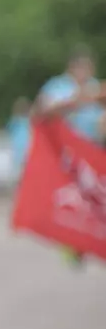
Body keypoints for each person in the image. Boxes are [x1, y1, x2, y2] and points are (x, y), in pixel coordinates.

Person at [33, 47, 104, 268]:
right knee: (72, 199)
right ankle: (73, 242)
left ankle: (86, 240)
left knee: (94, 199)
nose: (85, 72)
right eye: (81, 68)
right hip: (66, 152)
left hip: (92, 151)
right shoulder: (58, 87)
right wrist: (76, 101)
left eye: (88, 68)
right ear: (72, 68)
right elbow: (42, 111)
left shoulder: (96, 87)